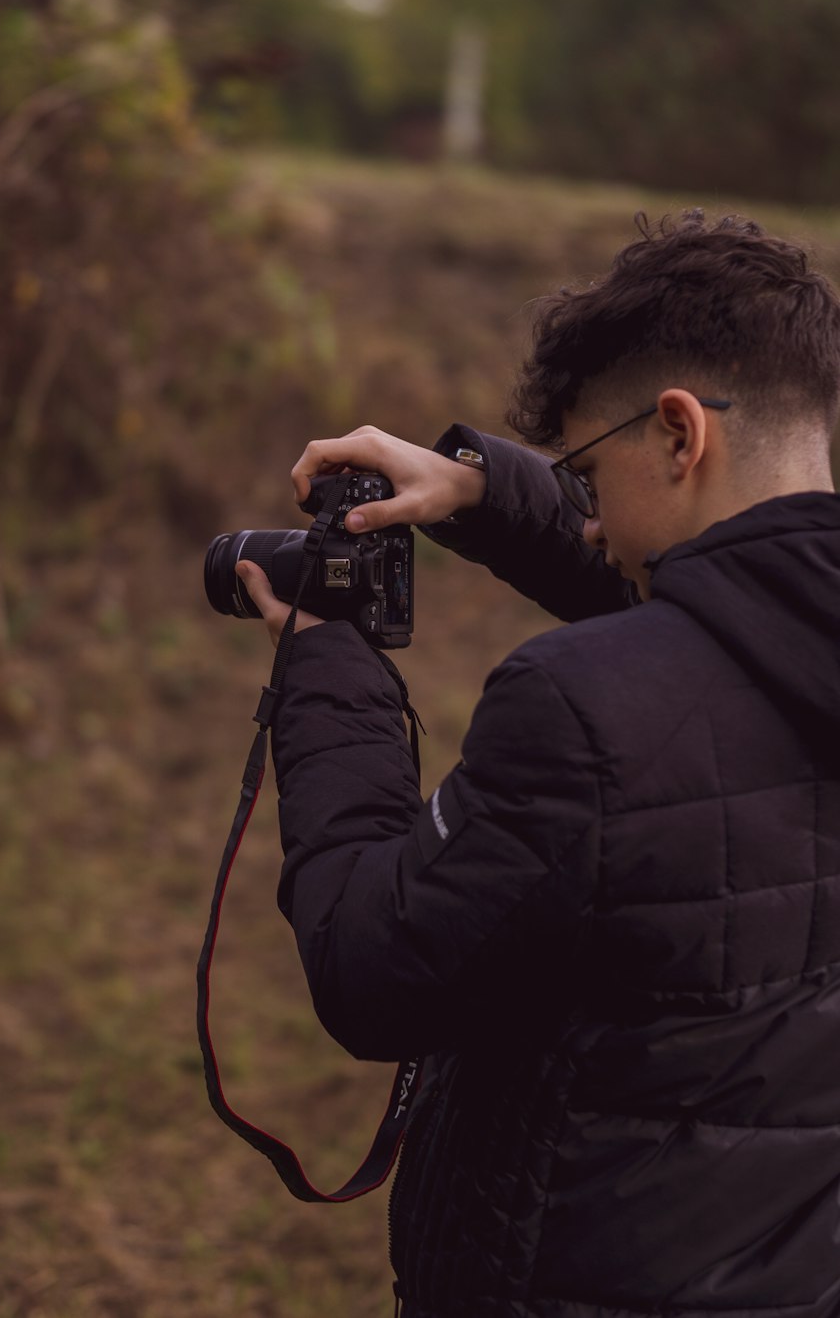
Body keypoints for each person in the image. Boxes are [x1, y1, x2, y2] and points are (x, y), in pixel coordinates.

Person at [235, 210, 840, 1318]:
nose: (593, 524)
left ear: (677, 434)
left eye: (588, 476)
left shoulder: (580, 706)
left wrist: (329, 666)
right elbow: (730, 626)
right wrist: (485, 492)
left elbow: (370, 971)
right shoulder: (797, 646)